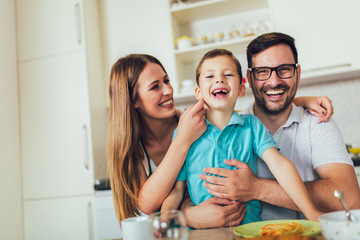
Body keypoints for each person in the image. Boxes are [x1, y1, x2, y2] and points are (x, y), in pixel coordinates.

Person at [107, 52, 332, 227]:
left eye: (166, 80)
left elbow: (235, 112)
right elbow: (157, 200)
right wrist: (181, 219)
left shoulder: (196, 120)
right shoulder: (181, 132)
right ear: (133, 100)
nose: (168, 91)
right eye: (155, 87)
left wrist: (299, 102)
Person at [197, 32, 360, 221]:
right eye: (263, 71)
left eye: (284, 69)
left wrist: (258, 188)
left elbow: (350, 199)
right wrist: (189, 216)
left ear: (297, 73)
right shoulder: (231, 128)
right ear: (249, 79)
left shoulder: (318, 122)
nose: (274, 81)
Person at [161, 48, 322, 223]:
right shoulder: (185, 133)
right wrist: (163, 223)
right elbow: (177, 190)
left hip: (248, 229)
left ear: (241, 88)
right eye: (210, 76)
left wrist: (311, 212)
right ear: (198, 92)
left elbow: (279, 164)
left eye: (228, 74)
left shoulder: (251, 125)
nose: (219, 79)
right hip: (202, 233)